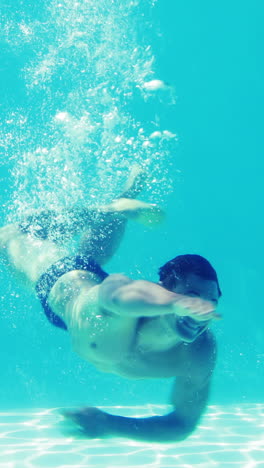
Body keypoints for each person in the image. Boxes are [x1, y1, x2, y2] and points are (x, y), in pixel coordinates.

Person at [0, 167, 221, 443]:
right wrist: (177, 303)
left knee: (89, 257)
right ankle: (105, 209)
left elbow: (183, 423)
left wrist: (109, 424)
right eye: (191, 295)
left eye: (211, 301)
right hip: (60, 279)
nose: (202, 309)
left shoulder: (199, 352)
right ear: (164, 289)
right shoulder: (126, 295)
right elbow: (117, 297)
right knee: (9, 235)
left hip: (88, 290)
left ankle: (119, 205)